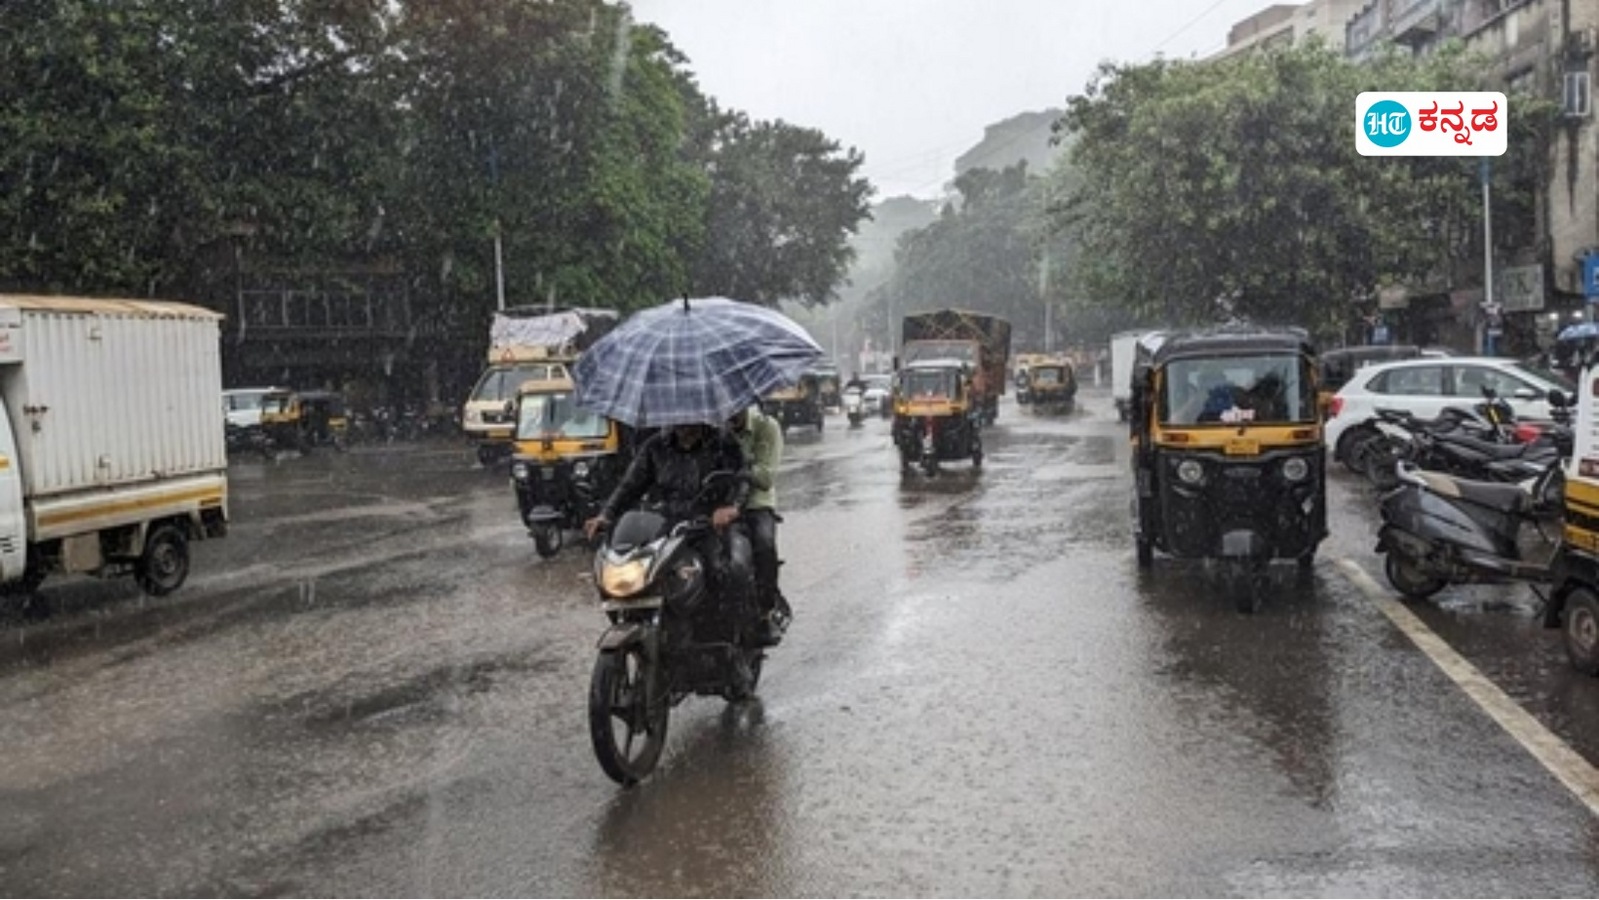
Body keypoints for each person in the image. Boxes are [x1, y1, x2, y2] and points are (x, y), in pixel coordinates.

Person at [584, 423, 752, 592]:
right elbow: (629, 485)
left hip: (712, 522)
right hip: (668, 523)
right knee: (641, 569)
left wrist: (733, 506)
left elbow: (742, 477)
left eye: (689, 421)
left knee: (730, 568)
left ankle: (734, 607)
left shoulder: (723, 442)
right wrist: (607, 514)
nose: (685, 426)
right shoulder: (655, 446)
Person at [728, 404, 788, 645]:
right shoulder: (712, 431)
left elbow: (765, 477)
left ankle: (765, 611)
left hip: (756, 503)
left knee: (764, 544)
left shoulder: (767, 427)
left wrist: (739, 469)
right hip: (720, 502)